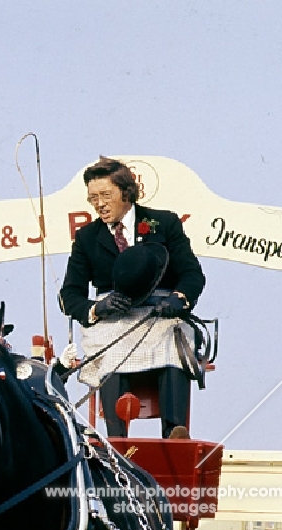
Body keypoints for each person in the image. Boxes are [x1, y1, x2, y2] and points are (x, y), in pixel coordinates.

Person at [59, 156, 206, 438]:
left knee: (173, 340)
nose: (99, 204)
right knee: (110, 346)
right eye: (92, 198)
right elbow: (70, 293)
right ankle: (116, 437)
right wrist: (97, 308)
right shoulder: (87, 237)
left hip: (160, 316)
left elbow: (192, 275)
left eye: (105, 195)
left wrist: (179, 299)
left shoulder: (164, 223)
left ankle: (175, 432)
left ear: (126, 192)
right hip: (113, 319)